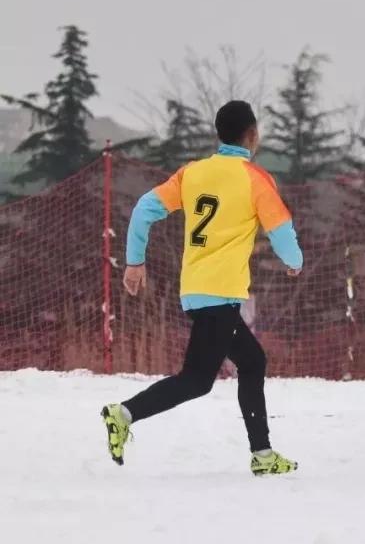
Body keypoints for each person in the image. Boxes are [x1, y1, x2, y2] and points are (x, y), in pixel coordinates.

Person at [101, 100, 301, 476]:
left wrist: (134, 262)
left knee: (252, 361)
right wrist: (294, 262)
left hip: (195, 291)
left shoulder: (192, 173)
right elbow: (282, 230)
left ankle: (263, 455)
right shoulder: (255, 178)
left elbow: (145, 207)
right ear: (253, 135)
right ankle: (123, 413)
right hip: (219, 294)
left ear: (219, 135)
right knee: (196, 380)